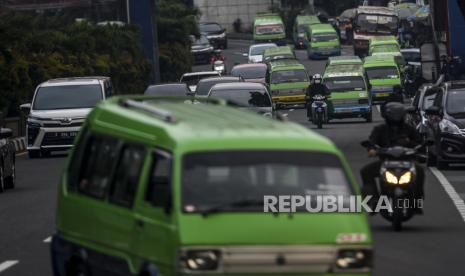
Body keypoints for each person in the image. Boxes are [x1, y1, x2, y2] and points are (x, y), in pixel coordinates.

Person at [360, 102, 425, 211]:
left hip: (406, 162)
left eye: (399, 114)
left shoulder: (409, 129)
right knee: (365, 171)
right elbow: (372, 141)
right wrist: (371, 149)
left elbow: (419, 143)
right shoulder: (380, 129)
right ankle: (374, 200)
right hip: (386, 161)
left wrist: (415, 146)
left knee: (420, 171)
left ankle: (417, 200)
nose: (396, 117)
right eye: (394, 115)